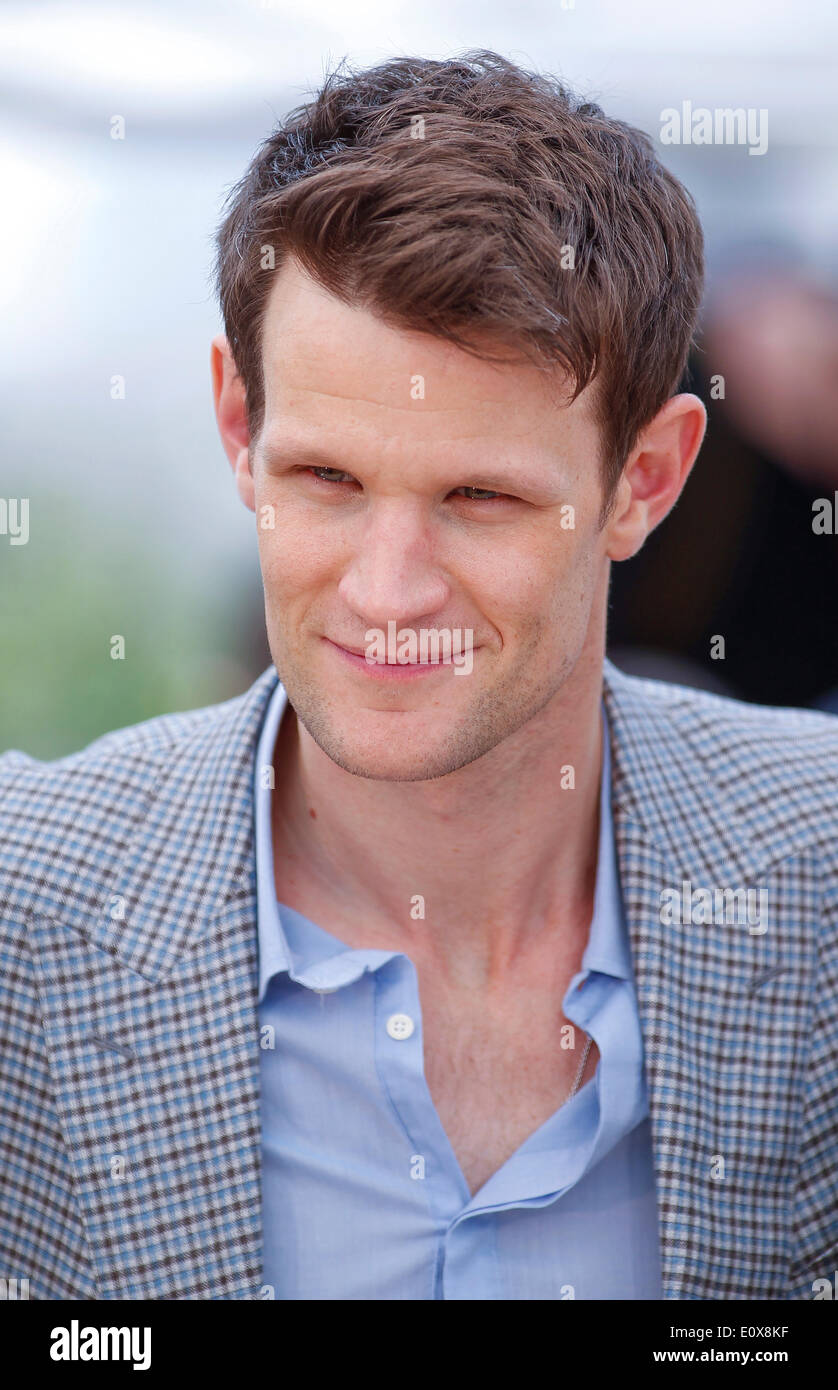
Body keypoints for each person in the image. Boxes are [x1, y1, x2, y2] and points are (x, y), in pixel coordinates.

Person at [1, 50, 836, 1301]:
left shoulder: (818, 878)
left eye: (480, 498)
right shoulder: (26, 921)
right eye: (326, 480)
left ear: (644, 481)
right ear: (240, 425)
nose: (389, 593)